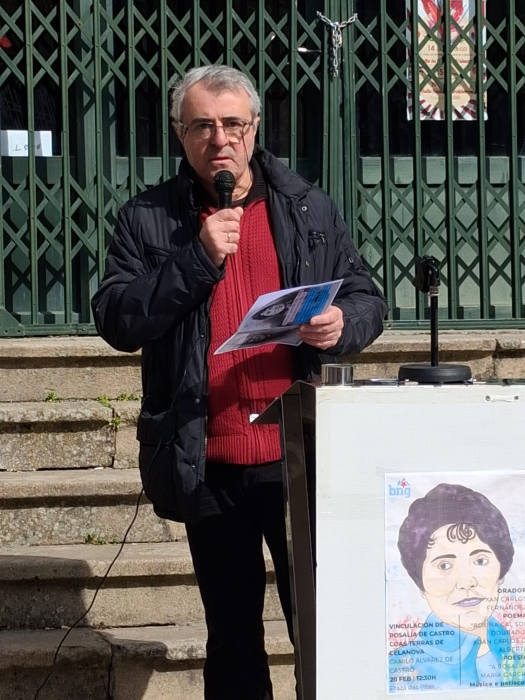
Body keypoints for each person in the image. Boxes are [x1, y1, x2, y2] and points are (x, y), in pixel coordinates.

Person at [92, 65, 387, 700]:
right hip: (209, 458)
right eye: (202, 126)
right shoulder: (147, 218)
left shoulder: (307, 206)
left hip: (299, 458)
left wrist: (342, 323)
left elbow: (367, 296)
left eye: (232, 124)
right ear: (180, 134)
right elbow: (117, 318)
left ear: (255, 128)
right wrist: (197, 257)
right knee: (232, 638)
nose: (219, 139)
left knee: (323, 625)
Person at [390, 483, 516, 693]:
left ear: (501, 570)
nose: (466, 582)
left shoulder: (513, 656)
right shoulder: (400, 673)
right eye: (444, 566)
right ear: (420, 582)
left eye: (480, 561)